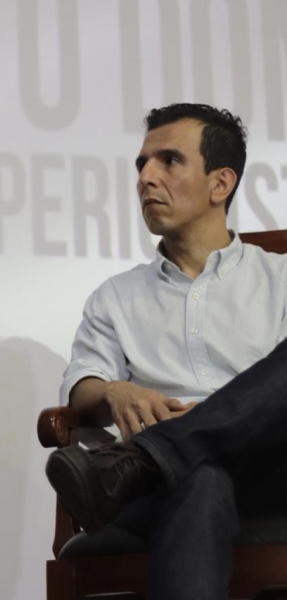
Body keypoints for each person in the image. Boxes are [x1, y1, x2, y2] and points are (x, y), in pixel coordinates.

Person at [45, 103, 287, 599]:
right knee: (200, 475)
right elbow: (82, 384)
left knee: (192, 466)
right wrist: (113, 391)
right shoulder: (116, 296)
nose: (145, 178)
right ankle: (164, 458)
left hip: (273, 473)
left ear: (220, 184)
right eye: (142, 164)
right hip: (163, 492)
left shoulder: (279, 278)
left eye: (169, 161)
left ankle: (149, 457)